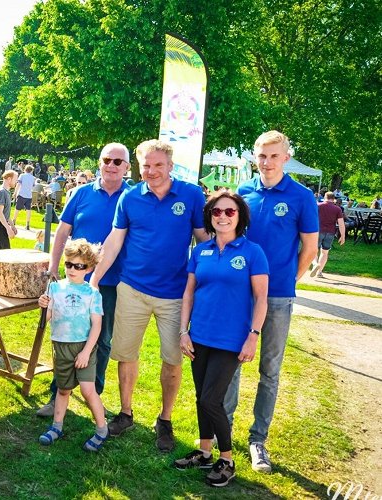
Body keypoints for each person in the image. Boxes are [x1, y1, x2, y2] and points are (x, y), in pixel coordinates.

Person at [89, 139, 209, 452]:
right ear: (138, 166)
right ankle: (125, 412)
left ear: (170, 166)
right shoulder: (129, 197)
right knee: (125, 354)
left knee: (172, 360)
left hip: (173, 295)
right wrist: (94, 280)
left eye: (158, 165)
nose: (152, 171)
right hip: (132, 289)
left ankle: (165, 420)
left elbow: (203, 242)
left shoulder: (192, 195)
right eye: (146, 165)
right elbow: (114, 242)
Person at [225, 130, 319, 473]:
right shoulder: (243, 192)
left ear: (286, 157)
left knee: (270, 370)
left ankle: (257, 439)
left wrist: (286, 281)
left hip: (278, 296)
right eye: (262, 156)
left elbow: (309, 248)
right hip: (240, 293)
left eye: (274, 156)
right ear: (255, 157)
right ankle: (225, 431)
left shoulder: (301, 196)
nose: (267, 162)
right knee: (232, 361)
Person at [173, 191, 269, 488]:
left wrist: (253, 336)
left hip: (231, 340)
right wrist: (183, 331)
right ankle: (204, 452)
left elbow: (261, 298)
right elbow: (189, 293)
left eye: (230, 212)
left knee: (212, 399)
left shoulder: (253, 252)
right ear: (210, 217)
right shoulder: (200, 251)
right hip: (199, 335)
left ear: (240, 217)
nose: (223, 217)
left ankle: (227, 460)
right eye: (217, 212)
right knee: (202, 397)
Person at [36, 143, 131, 417]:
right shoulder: (80, 193)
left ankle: (94, 395)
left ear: (127, 167)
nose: (111, 165)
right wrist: (54, 266)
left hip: (110, 283)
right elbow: (63, 231)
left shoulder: (133, 197)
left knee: (102, 338)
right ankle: (58, 395)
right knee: (66, 333)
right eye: (107, 160)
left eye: (118, 161)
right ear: (100, 163)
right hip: (73, 280)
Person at [37, 238, 108, 452]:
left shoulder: (93, 293)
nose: (72, 269)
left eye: (79, 266)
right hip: (61, 347)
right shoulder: (55, 288)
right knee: (63, 389)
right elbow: (47, 317)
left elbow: (97, 326)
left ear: (89, 268)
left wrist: (86, 352)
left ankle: (102, 429)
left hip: (83, 348)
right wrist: (43, 306)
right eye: (69, 264)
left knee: (88, 390)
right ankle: (57, 426)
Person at [310, 192, 345, 278]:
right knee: (325, 252)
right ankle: (319, 272)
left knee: (313, 250)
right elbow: (341, 223)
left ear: (325, 197)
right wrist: (342, 236)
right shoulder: (337, 209)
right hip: (330, 232)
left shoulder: (318, 206)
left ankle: (315, 264)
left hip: (317, 231)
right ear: (334, 199)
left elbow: (310, 218)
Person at [0, 170, 18, 249]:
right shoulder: (2, 192)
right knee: (6, 249)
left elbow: (5, 213)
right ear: (9, 179)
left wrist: (12, 226)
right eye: (15, 179)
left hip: (1, 223)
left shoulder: (6, 192)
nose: (16, 182)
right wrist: (8, 229)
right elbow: (0, 213)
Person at [12, 165, 36, 230]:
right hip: (29, 195)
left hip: (21, 194)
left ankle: (13, 221)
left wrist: (15, 193)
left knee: (17, 209)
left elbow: (18, 184)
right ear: (31, 171)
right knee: (28, 210)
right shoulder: (33, 178)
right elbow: (33, 187)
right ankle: (27, 224)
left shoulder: (22, 176)